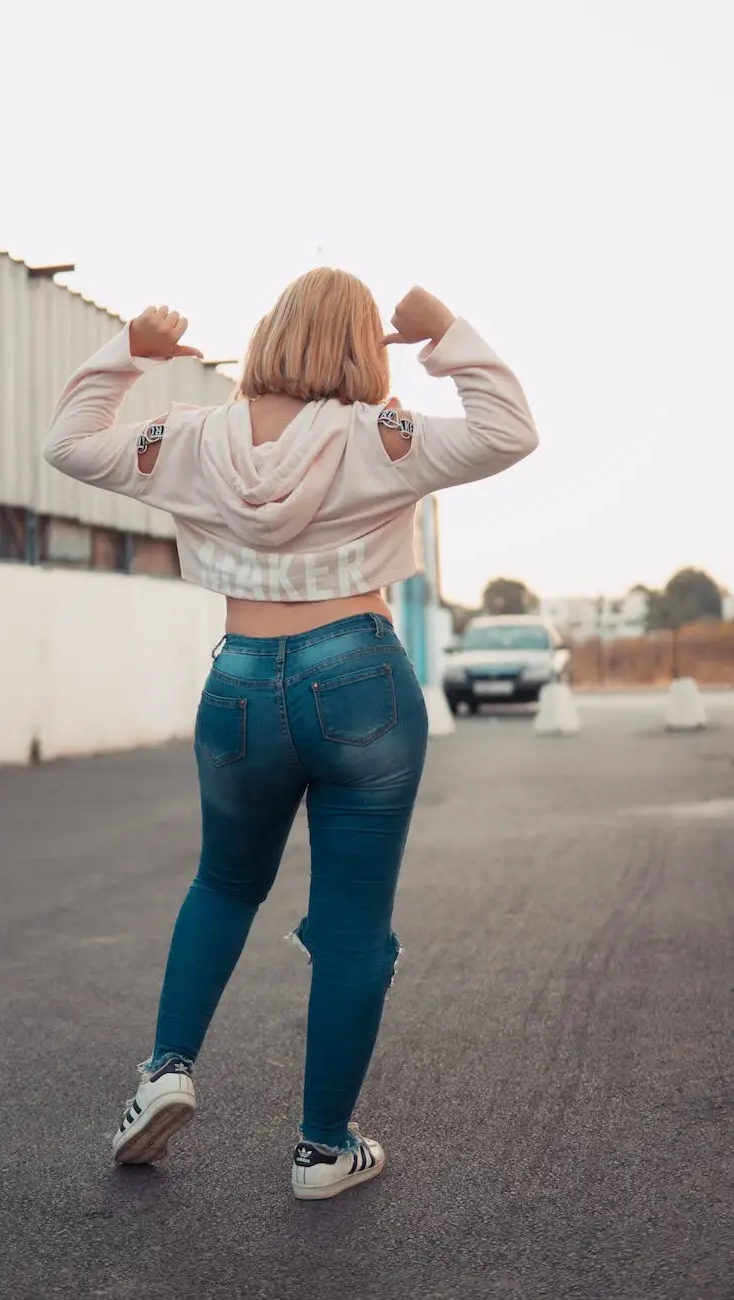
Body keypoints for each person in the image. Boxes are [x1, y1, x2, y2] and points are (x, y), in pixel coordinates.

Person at [44, 272, 538, 1200]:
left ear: (270, 334)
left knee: (224, 884)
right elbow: (507, 428)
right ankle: (321, 1150)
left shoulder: (187, 438)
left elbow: (66, 444)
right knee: (353, 925)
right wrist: (444, 335)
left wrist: (131, 354)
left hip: (238, 680)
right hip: (360, 680)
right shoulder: (380, 437)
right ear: (362, 346)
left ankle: (165, 1071)